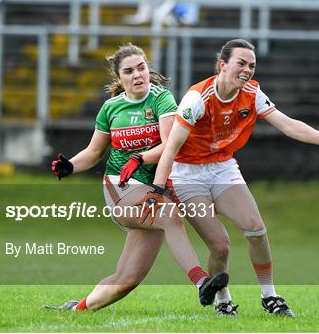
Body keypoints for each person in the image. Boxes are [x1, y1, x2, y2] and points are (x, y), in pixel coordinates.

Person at [119, 39, 319, 316]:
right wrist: (159, 189)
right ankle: (223, 301)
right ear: (222, 65)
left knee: (256, 228)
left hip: (222, 168)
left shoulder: (252, 93)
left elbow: (286, 124)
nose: (247, 70)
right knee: (220, 245)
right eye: (241, 63)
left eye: (252, 65)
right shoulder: (197, 98)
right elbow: (172, 147)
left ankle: (270, 296)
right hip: (187, 174)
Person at [45, 43, 228, 311]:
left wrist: (140, 158)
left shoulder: (161, 98)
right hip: (122, 189)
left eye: (141, 68)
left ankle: (78, 308)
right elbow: (94, 152)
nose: (137, 75)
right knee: (170, 215)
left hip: (154, 190)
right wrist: (70, 166)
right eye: (129, 71)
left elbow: (170, 144)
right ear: (119, 78)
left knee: (127, 279)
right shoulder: (111, 108)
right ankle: (202, 283)